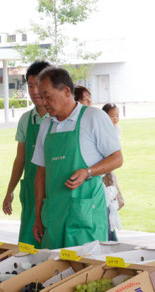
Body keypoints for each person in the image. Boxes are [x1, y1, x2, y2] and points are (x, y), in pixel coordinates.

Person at [32, 67, 123, 249]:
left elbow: (117, 158)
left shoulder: (93, 117)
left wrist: (88, 172)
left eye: (47, 96)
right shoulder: (46, 125)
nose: (43, 102)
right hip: (54, 214)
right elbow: (41, 173)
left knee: (85, 271)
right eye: (41, 97)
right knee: (53, 269)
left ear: (66, 91)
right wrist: (37, 216)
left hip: (86, 214)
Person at [3, 61, 51, 247]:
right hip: (31, 190)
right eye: (31, 85)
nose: (35, 91)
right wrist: (10, 191)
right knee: (29, 247)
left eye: (39, 85)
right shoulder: (25, 120)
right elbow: (20, 159)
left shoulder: (60, 118)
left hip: (55, 191)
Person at [102, 103, 124, 241]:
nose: (115, 119)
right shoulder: (103, 131)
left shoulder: (117, 130)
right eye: (112, 116)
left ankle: (111, 237)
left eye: (117, 116)